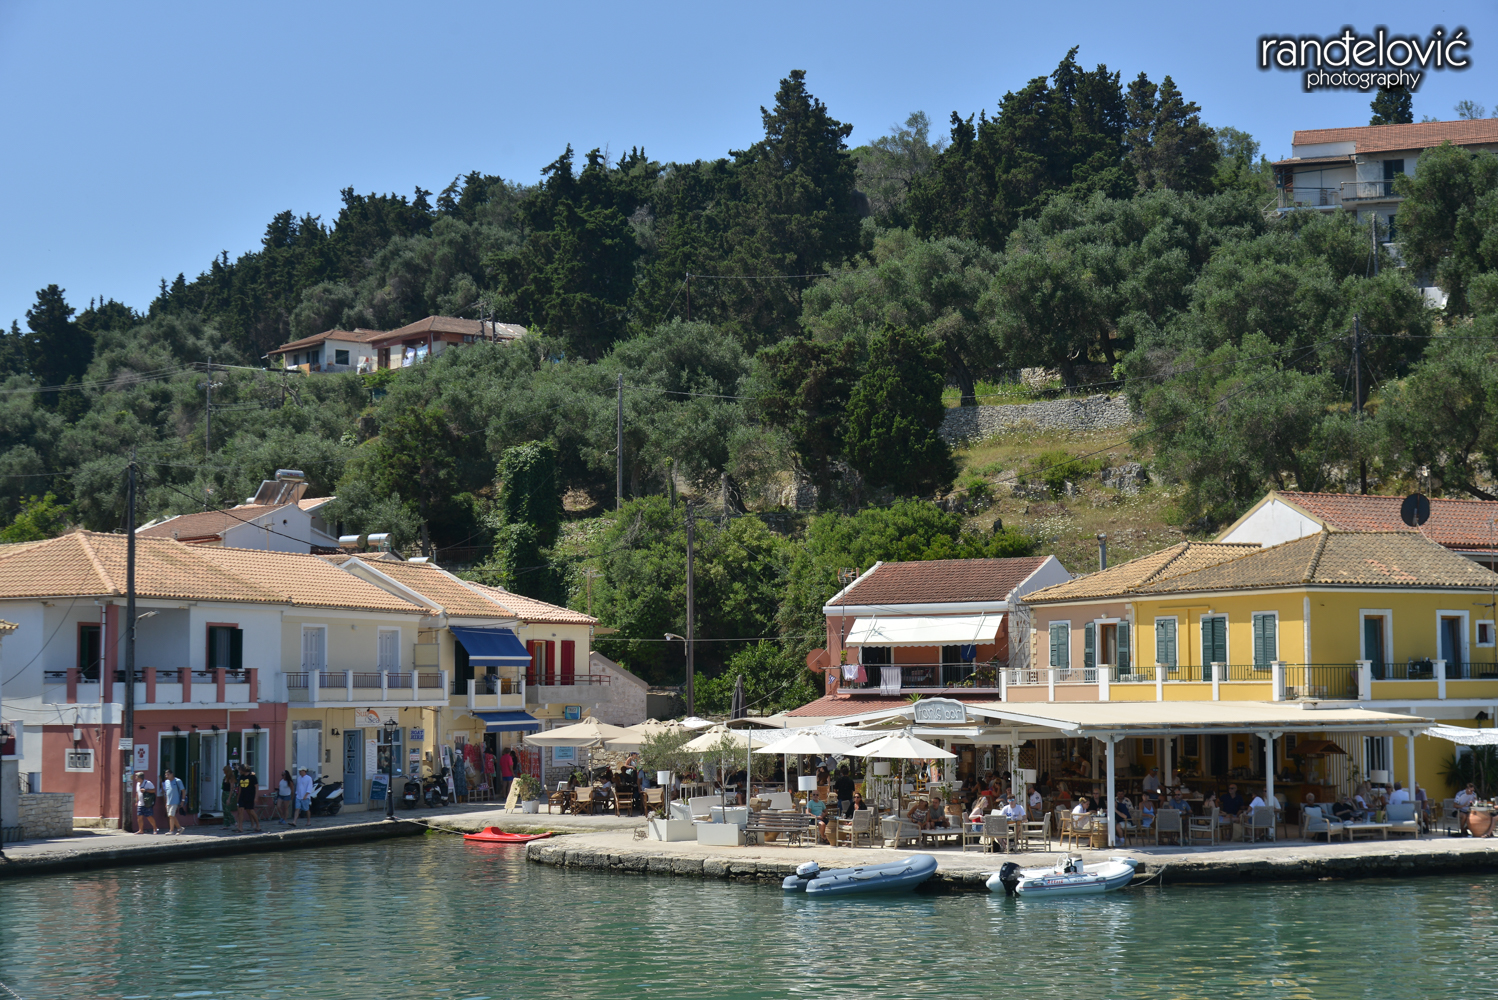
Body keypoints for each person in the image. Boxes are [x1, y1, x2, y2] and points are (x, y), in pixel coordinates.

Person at [235, 764, 261, 834]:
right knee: (240, 810)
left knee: (250, 811)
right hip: (242, 796)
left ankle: (258, 825)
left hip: (250, 796)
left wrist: (256, 797)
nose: (239, 771)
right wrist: (238, 797)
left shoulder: (252, 777)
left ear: (244, 770)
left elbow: (256, 787)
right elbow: (240, 787)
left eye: (240, 770)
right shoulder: (241, 777)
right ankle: (240, 827)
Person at [161, 768, 186, 835]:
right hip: (169, 801)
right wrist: (166, 802)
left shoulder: (178, 781)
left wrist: (182, 800)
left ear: (172, 774)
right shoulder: (166, 782)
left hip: (175, 801)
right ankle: (179, 828)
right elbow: (166, 792)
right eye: (166, 775)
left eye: (168, 775)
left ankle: (171, 831)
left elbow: (183, 791)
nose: (167, 776)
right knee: (171, 816)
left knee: (171, 815)